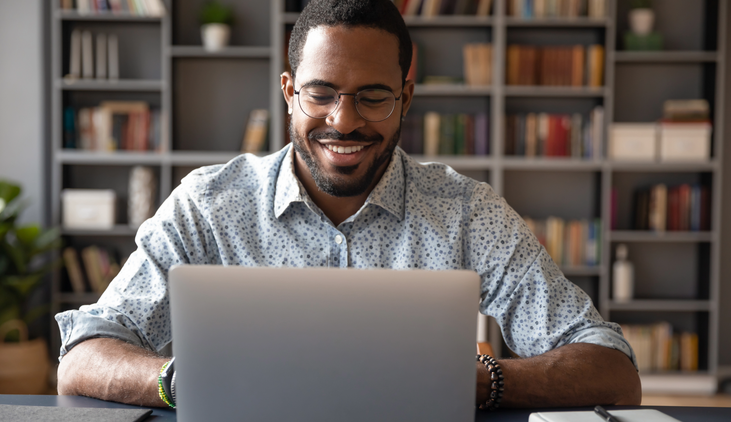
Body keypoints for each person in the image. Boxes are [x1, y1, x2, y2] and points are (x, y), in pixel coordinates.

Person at [56, 0, 641, 409]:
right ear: (289, 92)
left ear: (405, 97)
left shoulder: (468, 211)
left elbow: (611, 369)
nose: (345, 121)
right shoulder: (208, 204)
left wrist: (484, 382)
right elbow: (83, 357)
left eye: (373, 97)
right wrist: (184, 380)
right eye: (322, 94)